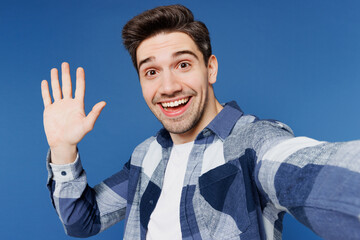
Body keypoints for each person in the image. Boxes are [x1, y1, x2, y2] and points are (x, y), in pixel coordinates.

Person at [41, 4, 360, 240]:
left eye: (182, 64)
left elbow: (313, 172)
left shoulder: (252, 144)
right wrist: (63, 148)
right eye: (151, 71)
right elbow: (82, 222)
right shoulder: (144, 155)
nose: (168, 87)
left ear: (211, 69)